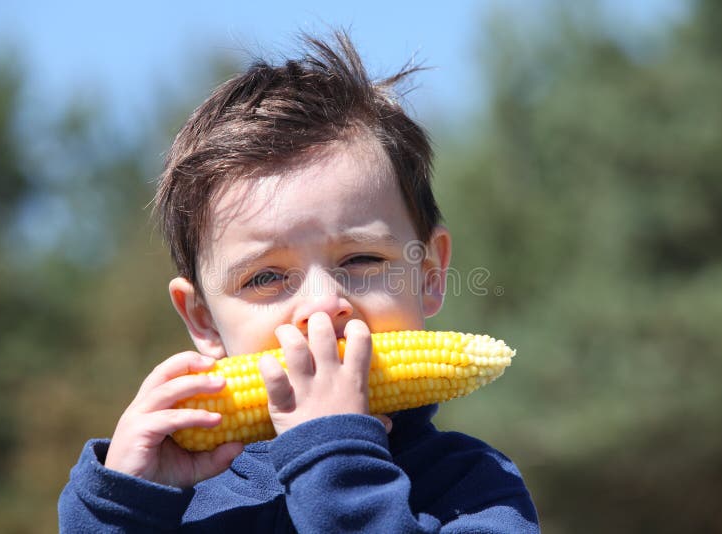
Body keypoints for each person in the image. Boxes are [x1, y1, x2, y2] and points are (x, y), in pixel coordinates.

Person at [58, 30, 539, 533]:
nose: (322, 305)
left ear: (429, 274)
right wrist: (119, 507)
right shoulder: (177, 503)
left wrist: (335, 456)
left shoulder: (474, 488)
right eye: (265, 276)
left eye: (360, 259)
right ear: (204, 319)